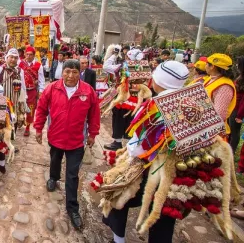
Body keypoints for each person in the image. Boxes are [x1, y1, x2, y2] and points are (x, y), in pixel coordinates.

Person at [102, 61, 190, 243]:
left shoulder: (154, 107)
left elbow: (139, 145)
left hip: (147, 167)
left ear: (158, 81)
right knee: (163, 214)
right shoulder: (189, 104)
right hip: (176, 170)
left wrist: (127, 157)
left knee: (119, 196)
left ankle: (118, 239)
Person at [34, 59, 100, 229]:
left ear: (80, 73)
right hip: (55, 136)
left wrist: (93, 134)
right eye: (67, 72)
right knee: (55, 160)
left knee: (72, 175)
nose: (70, 76)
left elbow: (94, 114)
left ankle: (72, 209)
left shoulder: (88, 91)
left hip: (76, 140)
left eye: (74, 72)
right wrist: (38, 128)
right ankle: (53, 178)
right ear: (62, 72)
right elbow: (41, 108)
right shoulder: (52, 88)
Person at [0, 48, 27, 139]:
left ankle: (10, 143)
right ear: (7, 57)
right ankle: (0, 144)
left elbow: (23, 88)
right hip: (1, 104)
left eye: (15, 58)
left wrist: (24, 102)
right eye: (11, 57)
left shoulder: (20, 72)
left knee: (14, 123)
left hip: (15, 104)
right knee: (0, 124)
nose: (13, 60)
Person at [203, 53, 236, 138]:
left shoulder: (224, 86)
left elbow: (220, 114)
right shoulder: (211, 79)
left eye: (207, 63)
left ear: (212, 66)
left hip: (213, 133)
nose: (205, 65)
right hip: (204, 127)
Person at [19, 46, 44, 137]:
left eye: (30, 55)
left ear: (34, 55)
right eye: (27, 54)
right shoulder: (20, 64)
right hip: (21, 90)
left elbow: (41, 79)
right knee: (19, 106)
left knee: (30, 109)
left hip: (32, 91)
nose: (28, 56)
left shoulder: (38, 65)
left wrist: (41, 91)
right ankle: (20, 120)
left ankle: (27, 127)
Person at [233, 57, 244, 171]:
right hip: (234, 107)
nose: (236, 65)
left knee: (235, 132)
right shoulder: (240, 77)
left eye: (238, 64)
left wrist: (239, 115)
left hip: (237, 110)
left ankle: (231, 151)